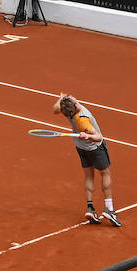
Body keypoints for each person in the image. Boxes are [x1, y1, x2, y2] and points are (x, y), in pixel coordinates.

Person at [51, 94, 119, 227]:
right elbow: (98, 137)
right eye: (71, 98)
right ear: (75, 105)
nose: (72, 96)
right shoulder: (82, 119)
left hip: (80, 148)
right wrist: (87, 135)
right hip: (95, 149)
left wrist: (61, 98)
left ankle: (90, 208)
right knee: (105, 174)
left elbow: (55, 109)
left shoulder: (67, 110)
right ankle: (109, 209)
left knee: (89, 176)